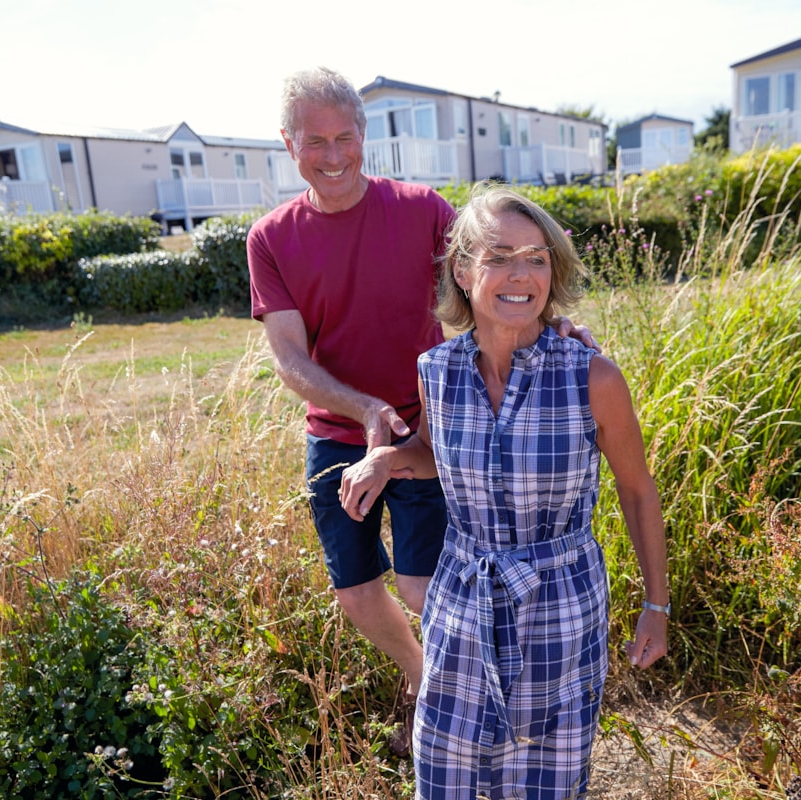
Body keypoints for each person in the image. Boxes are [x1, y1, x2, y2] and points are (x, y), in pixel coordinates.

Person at [247, 68, 595, 755]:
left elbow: (493, 275)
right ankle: (427, 677)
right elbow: (288, 358)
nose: (335, 154)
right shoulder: (270, 238)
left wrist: (553, 326)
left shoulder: (423, 209)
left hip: (431, 425)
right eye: (316, 141)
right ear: (289, 145)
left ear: (364, 132)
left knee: (420, 581)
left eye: (346, 136)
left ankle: (483, 702)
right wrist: (361, 406)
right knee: (354, 592)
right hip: (338, 433)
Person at [339, 184, 669, 798]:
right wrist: (386, 461)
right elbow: (435, 456)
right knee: (443, 769)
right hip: (462, 596)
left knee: (548, 777)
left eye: (537, 257)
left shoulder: (591, 376)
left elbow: (638, 490)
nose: (521, 274)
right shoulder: (435, 371)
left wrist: (657, 605)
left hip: (562, 605)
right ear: (464, 271)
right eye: (499, 256)